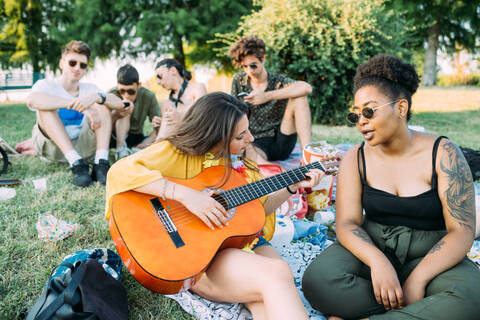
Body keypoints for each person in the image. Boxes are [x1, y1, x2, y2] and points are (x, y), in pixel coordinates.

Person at [105, 92, 324, 320]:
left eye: (248, 130)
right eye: (241, 136)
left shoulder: (240, 165)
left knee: (271, 288)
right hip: (196, 255)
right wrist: (187, 196)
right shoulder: (177, 152)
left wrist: (292, 185)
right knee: (276, 273)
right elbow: (120, 171)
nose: (250, 139)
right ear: (214, 138)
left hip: (242, 241)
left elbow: (258, 210)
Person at [302, 54, 480, 320]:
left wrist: (418, 279)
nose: (361, 121)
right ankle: (416, 308)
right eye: (356, 115)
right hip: (373, 245)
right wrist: (378, 262)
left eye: (369, 110)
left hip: (431, 253)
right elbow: (347, 224)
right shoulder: (355, 157)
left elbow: (462, 231)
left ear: (401, 108)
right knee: (319, 281)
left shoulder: (443, 153)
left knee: (471, 298)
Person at [26, 40, 124, 187]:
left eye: (82, 65)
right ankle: (76, 163)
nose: (77, 68)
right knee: (45, 108)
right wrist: (79, 106)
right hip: (54, 149)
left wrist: (97, 97)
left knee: (102, 102)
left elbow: (120, 104)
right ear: (61, 63)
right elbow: (32, 100)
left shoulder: (90, 88)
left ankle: (101, 163)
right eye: (72, 63)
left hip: (84, 147)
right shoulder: (46, 85)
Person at [229, 35, 312, 164]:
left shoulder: (277, 81)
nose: (249, 70)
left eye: (253, 65)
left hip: (282, 139)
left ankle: (308, 157)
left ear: (263, 59)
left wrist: (266, 96)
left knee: (299, 97)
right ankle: (274, 173)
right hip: (255, 143)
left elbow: (306, 88)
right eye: (244, 66)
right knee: (251, 158)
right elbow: (231, 115)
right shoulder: (239, 81)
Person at [109, 64, 161, 159]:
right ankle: (121, 148)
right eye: (122, 91)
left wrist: (148, 141)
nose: (126, 95)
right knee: (124, 108)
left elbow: (160, 125)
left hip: (136, 137)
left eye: (131, 91)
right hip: (113, 137)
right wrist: (117, 113)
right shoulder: (111, 94)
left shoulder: (148, 96)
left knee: (161, 143)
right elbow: (103, 125)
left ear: (139, 85)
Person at [153, 59, 206, 139]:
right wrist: (158, 128)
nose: (158, 82)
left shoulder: (197, 88)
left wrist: (181, 118)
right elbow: (164, 135)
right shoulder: (166, 104)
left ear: (173, 70)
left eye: (160, 76)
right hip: (173, 141)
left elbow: (203, 119)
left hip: (195, 139)